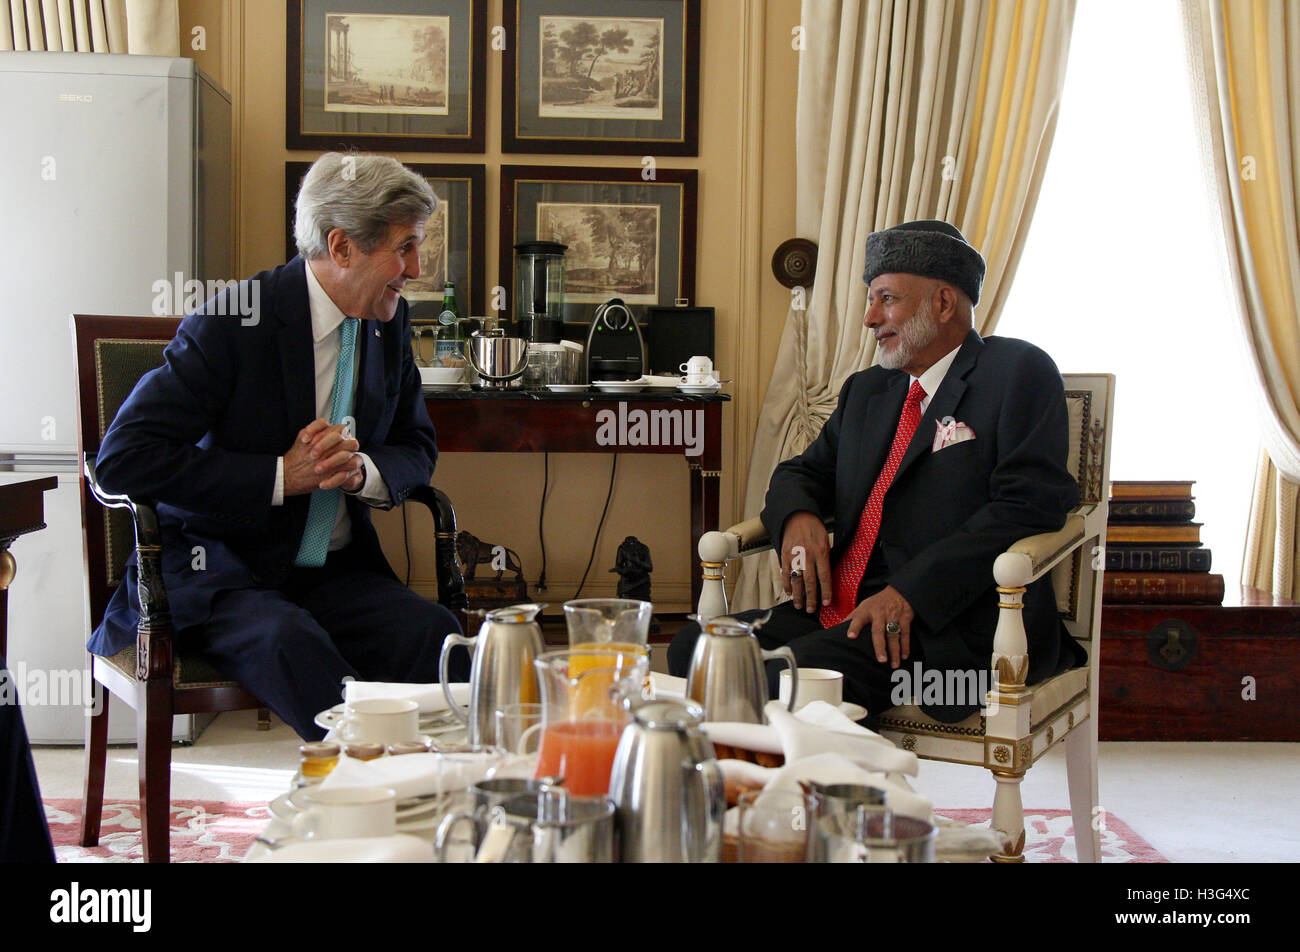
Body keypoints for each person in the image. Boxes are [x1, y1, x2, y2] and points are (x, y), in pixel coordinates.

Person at [89, 152, 464, 740]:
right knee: (291, 643)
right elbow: (123, 458)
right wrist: (280, 477)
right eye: (405, 247)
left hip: (334, 571)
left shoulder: (387, 322)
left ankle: (445, 795)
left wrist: (360, 470)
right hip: (221, 569)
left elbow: (416, 444)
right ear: (341, 247)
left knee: (440, 641)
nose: (416, 268)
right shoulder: (232, 324)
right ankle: (361, 791)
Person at [668, 220, 1084, 721]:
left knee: (786, 680)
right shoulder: (869, 391)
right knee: (695, 647)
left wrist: (912, 592)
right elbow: (801, 472)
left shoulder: (1017, 371)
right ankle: (749, 791)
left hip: (950, 632)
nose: (869, 318)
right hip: (838, 609)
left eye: (885, 299)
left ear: (944, 303)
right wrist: (798, 516)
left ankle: (829, 795)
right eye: (871, 300)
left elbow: (1030, 504)